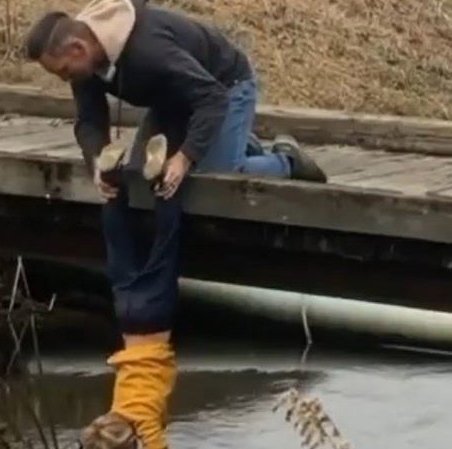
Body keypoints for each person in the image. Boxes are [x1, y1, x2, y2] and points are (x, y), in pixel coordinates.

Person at [23, 1, 327, 448]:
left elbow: (211, 96)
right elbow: (90, 120)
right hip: (172, 99)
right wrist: (96, 165)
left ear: (77, 45)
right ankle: (232, 142)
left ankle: (283, 159)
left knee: (215, 181)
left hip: (223, 86)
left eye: (65, 72)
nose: (66, 80)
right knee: (145, 181)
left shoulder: (146, 52)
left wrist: (185, 158)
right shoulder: (87, 61)